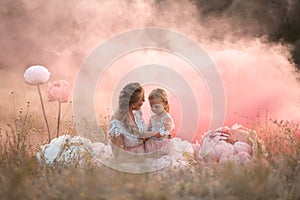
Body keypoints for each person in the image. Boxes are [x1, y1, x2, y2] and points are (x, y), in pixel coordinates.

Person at [108, 83, 148, 160]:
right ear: (133, 104)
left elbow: (143, 134)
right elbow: (117, 154)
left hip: (145, 156)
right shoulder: (116, 124)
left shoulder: (137, 112)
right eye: (142, 99)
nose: (144, 101)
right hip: (131, 161)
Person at [141, 88, 175, 154]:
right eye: (151, 106)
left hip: (162, 145)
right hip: (152, 145)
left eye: (156, 106)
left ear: (165, 104)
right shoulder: (152, 118)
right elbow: (148, 130)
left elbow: (161, 134)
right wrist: (144, 136)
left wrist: (149, 134)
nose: (153, 109)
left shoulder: (167, 118)